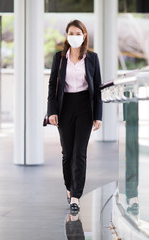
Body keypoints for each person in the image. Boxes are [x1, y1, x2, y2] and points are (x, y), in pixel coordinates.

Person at [47, 19, 102, 212]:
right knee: (67, 153)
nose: (75, 37)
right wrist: (51, 111)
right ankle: (69, 188)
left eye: (79, 33)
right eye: (71, 33)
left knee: (80, 153)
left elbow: (98, 89)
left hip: (85, 108)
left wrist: (98, 115)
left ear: (84, 36)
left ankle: (76, 195)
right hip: (65, 106)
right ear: (67, 35)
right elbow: (53, 85)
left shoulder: (93, 58)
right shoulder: (59, 58)